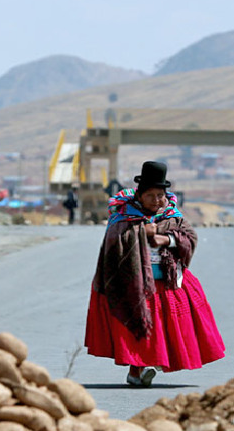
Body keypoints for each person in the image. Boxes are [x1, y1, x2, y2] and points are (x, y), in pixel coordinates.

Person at [85, 161, 225, 387]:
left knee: (162, 327)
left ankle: (145, 368)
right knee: (140, 326)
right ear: (139, 196)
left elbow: (189, 238)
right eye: (150, 195)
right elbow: (113, 240)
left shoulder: (173, 215)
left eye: (160, 195)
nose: (156, 200)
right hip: (134, 282)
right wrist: (142, 232)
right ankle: (138, 369)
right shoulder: (122, 216)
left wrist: (165, 238)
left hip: (167, 280)